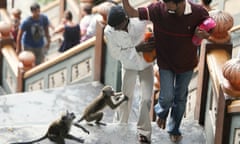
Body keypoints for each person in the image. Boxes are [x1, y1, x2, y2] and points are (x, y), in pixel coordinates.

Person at [122, 0, 211, 142]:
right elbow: (132, 12)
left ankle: (174, 129)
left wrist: (204, 34)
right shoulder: (158, 9)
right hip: (165, 63)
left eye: (168, 3)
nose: (165, 5)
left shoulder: (197, 12)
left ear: (180, 3)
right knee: (167, 96)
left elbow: (210, 24)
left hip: (186, 64)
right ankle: (161, 112)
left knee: (180, 99)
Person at [104, 6, 154, 143]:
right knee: (126, 98)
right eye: (114, 27)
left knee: (146, 99)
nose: (116, 29)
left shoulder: (139, 20)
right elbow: (116, 54)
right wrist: (137, 48)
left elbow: (155, 20)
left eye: (118, 26)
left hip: (146, 64)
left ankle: (144, 133)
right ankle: (121, 126)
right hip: (128, 65)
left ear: (126, 19)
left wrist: (153, 37)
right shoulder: (109, 31)